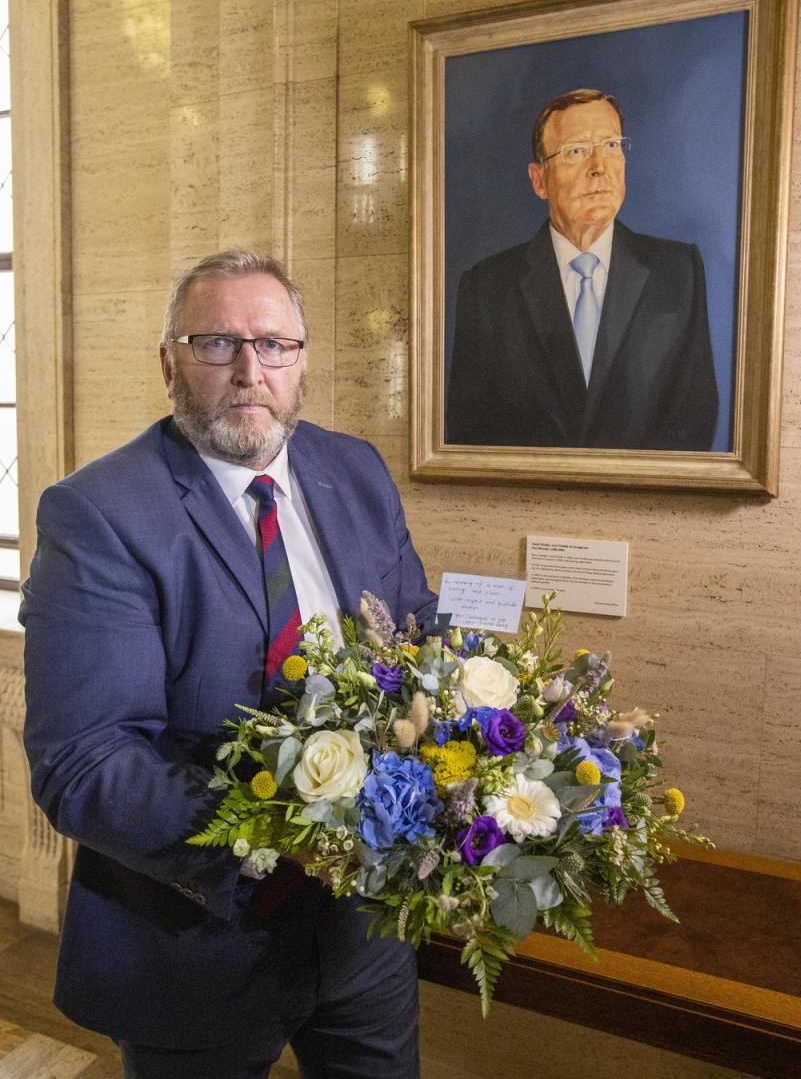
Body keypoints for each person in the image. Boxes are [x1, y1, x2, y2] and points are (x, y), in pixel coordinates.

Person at [20, 250, 436, 1079]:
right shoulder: (99, 515)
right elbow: (84, 762)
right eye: (216, 344)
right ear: (168, 363)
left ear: (303, 362)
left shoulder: (355, 470)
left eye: (274, 345)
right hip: (194, 941)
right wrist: (287, 833)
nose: (250, 370)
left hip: (364, 933)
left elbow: (415, 633)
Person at [446, 88, 719, 450]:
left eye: (611, 146)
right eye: (576, 151)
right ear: (539, 180)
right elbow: (470, 429)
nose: (599, 168)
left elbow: (694, 415)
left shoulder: (678, 272)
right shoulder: (488, 287)